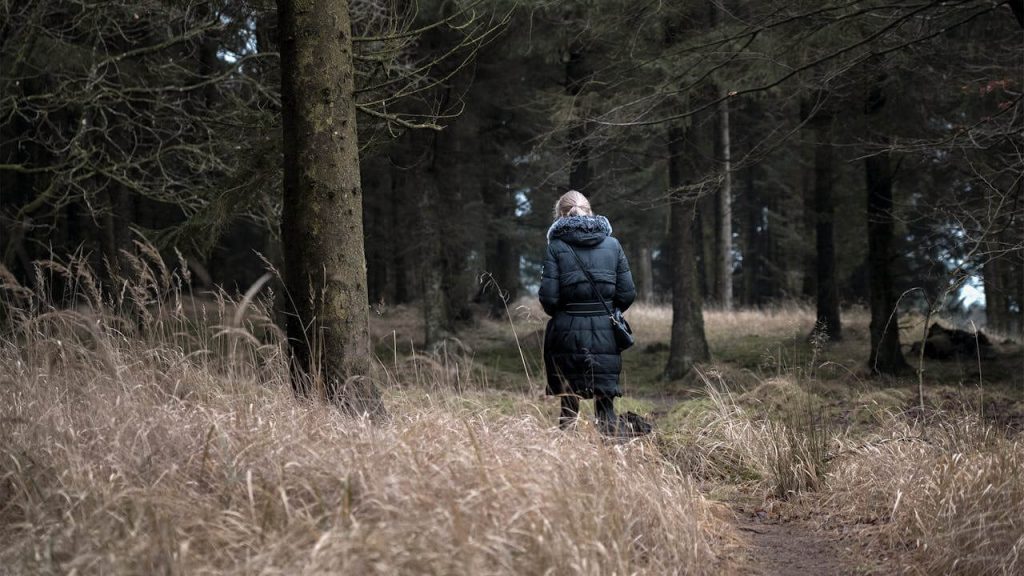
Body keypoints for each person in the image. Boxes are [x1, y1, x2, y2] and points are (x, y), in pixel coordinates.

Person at [539, 190, 636, 434]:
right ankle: (612, 461)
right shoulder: (613, 246)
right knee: (606, 409)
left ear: (560, 216)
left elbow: (549, 300)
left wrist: (568, 310)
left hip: (567, 334)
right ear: (590, 212)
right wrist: (605, 312)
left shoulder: (556, 248)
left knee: (568, 410)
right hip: (606, 334)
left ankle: (567, 463)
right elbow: (627, 294)